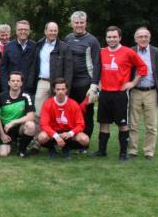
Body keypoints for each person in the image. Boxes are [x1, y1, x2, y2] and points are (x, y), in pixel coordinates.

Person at [94, 26, 148, 161]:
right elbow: (98, 70)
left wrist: (132, 83)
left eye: (114, 37)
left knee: (122, 124)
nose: (111, 39)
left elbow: (143, 67)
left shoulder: (128, 52)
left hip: (120, 94)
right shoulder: (102, 52)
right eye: (109, 37)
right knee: (104, 123)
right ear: (106, 38)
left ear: (120, 38)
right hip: (105, 93)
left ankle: (123, 153)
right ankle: (102, 151)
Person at [128, 27, 158, 160]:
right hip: (135, 91)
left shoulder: (157, 53)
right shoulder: (130, 51)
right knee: (133, 124)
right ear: (135, 39)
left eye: (146, 36)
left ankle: (149, 152)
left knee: (151, 125)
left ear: (149, 38)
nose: (143, 39)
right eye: (140, 36)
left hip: (151, 91)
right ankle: (132, 150)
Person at [64, 11, 101, 147]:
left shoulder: (92, 40)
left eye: (82, 23)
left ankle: (85, 143)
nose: (79, 25)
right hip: (70, 83)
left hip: (86, 83)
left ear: (85, 23)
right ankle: (71, 140)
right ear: (72, 24)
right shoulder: (68, 38)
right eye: (76, 23)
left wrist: (94, 84)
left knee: (86, 113)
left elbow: (97, 63)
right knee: (70, 113)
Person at [27, 22, 73, 120]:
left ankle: (54, 135)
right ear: (45, 31)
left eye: (55, 31)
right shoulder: (39, 45)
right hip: (42, 82)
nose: (53, 33)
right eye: (51, 30)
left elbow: (69, 70)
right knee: (38, 112)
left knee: (56, 112)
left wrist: (66, 88)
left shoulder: (64, 47)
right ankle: (39, 135)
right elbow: (34, 65)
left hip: (58, 85)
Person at [37, 78, 90, 158]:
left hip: (68, 132)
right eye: (58, 89)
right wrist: (56, 136)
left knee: (85, 139)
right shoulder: (48, 104)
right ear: (54, 90)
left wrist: (70, 133)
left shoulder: (74, 104)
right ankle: (52, 148)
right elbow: (44, 124)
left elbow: (81, 125)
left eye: (63, 89)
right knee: (41, 137)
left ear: (66, 90)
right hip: (53, 132)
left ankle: (66, 147)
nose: (60, 92)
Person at [0, 72, 36, 158]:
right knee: (3, 154)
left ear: (21, 83)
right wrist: (2, 134)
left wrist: (13, 122)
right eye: (13, 80)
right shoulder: (1, 96)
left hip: (18, 127)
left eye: (18, 81)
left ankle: (21, 150)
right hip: (5, 128)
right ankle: (10, 142)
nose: (15, 83)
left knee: (31, 125)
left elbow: (31, 116)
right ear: (9, 83)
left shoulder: (26, 96)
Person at [0, 20, 36, 94]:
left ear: (29, 31)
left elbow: (35, 68)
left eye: (25, 30)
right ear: (16, 31)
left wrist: (31, 86)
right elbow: (3, 69)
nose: (23, 32)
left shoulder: (34, 46)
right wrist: (5, 87)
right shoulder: (8, 47)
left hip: (29, 89)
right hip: (11, 89)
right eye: (20, 29)